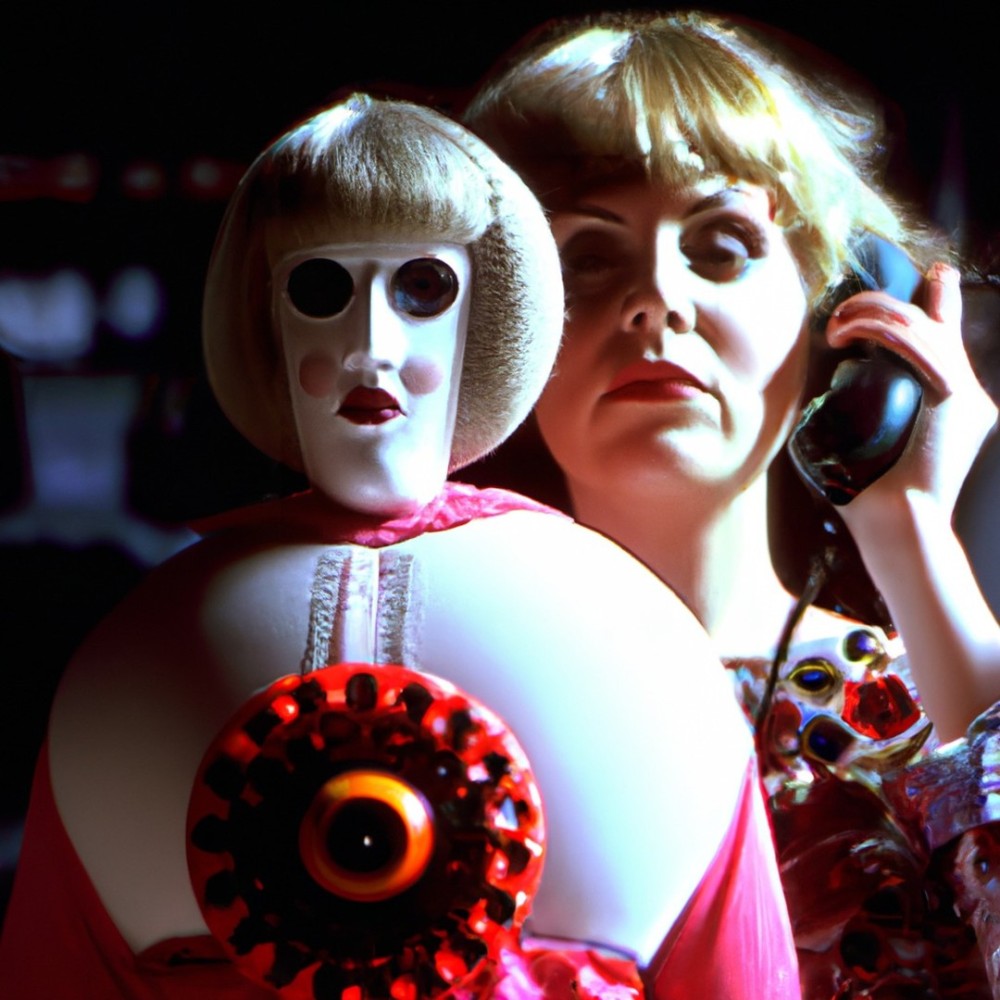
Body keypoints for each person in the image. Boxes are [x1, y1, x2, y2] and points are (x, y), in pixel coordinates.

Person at [0, 94, 799, 998]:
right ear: (268, 322)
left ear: (486, 317)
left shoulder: (641, 641)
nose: (369, 347)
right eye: (322, 290)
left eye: (422, 290)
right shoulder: (134, 656)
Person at [465, 11, 1000, 996]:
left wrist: (912, 532)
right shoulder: (435, 702)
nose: (656, 298)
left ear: (835, 312)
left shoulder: (934, 699)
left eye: (720, 246)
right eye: (587, 258)